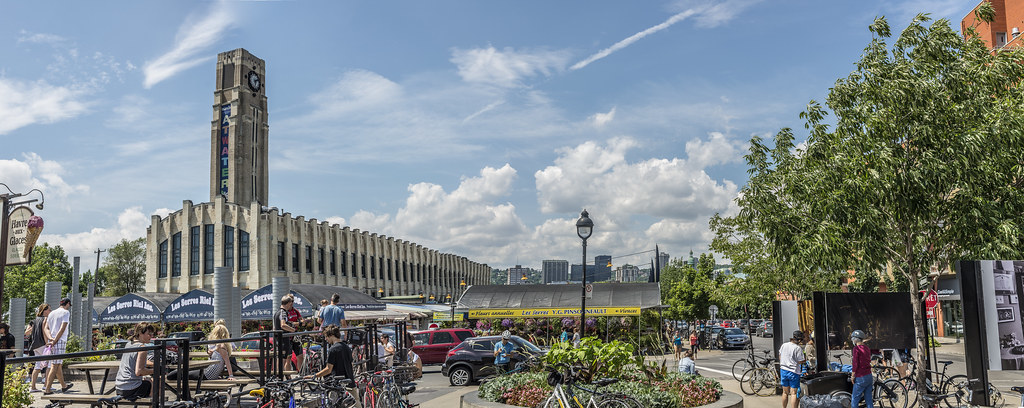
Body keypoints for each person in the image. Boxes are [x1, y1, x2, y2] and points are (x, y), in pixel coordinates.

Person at [115, 322, 157, 400]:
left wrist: (154, 364)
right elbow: (139, 372)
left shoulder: (128, 344)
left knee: (147, 381)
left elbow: (136, 360)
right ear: (141, 333)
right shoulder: (142, 348)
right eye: (149, 334)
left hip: (119, 387)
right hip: (131, 389)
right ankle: (153, 404)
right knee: (155, 382)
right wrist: (156, 370)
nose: (151, 336)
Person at [43, 298, 72, 395]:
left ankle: (64, 386)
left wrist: (50, 338)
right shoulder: (65, 312)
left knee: (58, 364)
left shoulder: (52, 313)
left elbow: (46, 328)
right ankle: (47, 389)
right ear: (67, 304)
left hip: (52, 340)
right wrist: (55, 340)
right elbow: (62, 328)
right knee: (54, 365)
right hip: (60, 340)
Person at [779, 330, 807, 408]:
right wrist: (805, 359)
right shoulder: (798, 348)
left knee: (785, 392)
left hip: (783, 370)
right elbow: (800, 361)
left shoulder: (784, 345)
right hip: (793, 372)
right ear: (799, 339)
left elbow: (780, 356)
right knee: (793, 393)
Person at [273, 295, 301, 371]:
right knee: (283, 359)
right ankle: (280, 378)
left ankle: (280, 377)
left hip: (280, 338)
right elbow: (283, 325)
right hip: (283, 339)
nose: (291, 305)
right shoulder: (283, 312)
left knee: (282, 359)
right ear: (288, 303)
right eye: (290, 303)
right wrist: (293, 331)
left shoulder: (277, 312)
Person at [28, 303, 51, 392]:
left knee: (37, 366)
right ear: (44, 310)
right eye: (49, 309)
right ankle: (46, 386)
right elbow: (45, 332)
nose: (50, 311)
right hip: (42, 344)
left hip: (35, 345)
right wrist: (47, 343)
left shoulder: (35, 320)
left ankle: (33, 387)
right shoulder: (45, 319)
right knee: (50, 364)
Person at [850, 330, 873, 408]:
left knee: (855, 399)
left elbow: (855, 364)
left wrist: (852, 376)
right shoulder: (867, 348)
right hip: (869, 375)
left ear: (856, 339)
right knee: (869, 399)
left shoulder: (856, 349)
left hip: (861, 376)